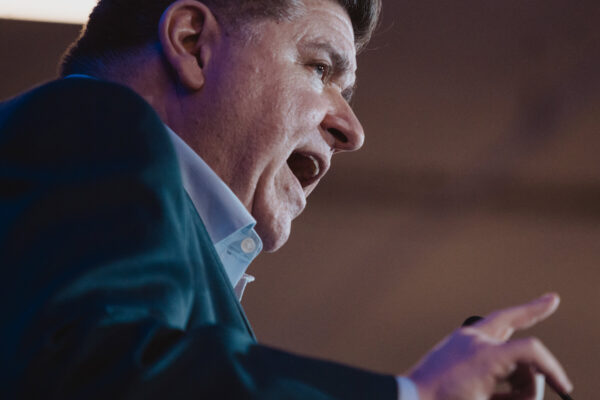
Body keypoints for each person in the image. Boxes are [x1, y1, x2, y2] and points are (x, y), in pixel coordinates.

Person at [0, 0, 574, 398]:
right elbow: (94, 370)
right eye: (319, 68)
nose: (352, 130)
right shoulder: (94, 117)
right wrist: (412, 395)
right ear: (193, 43)